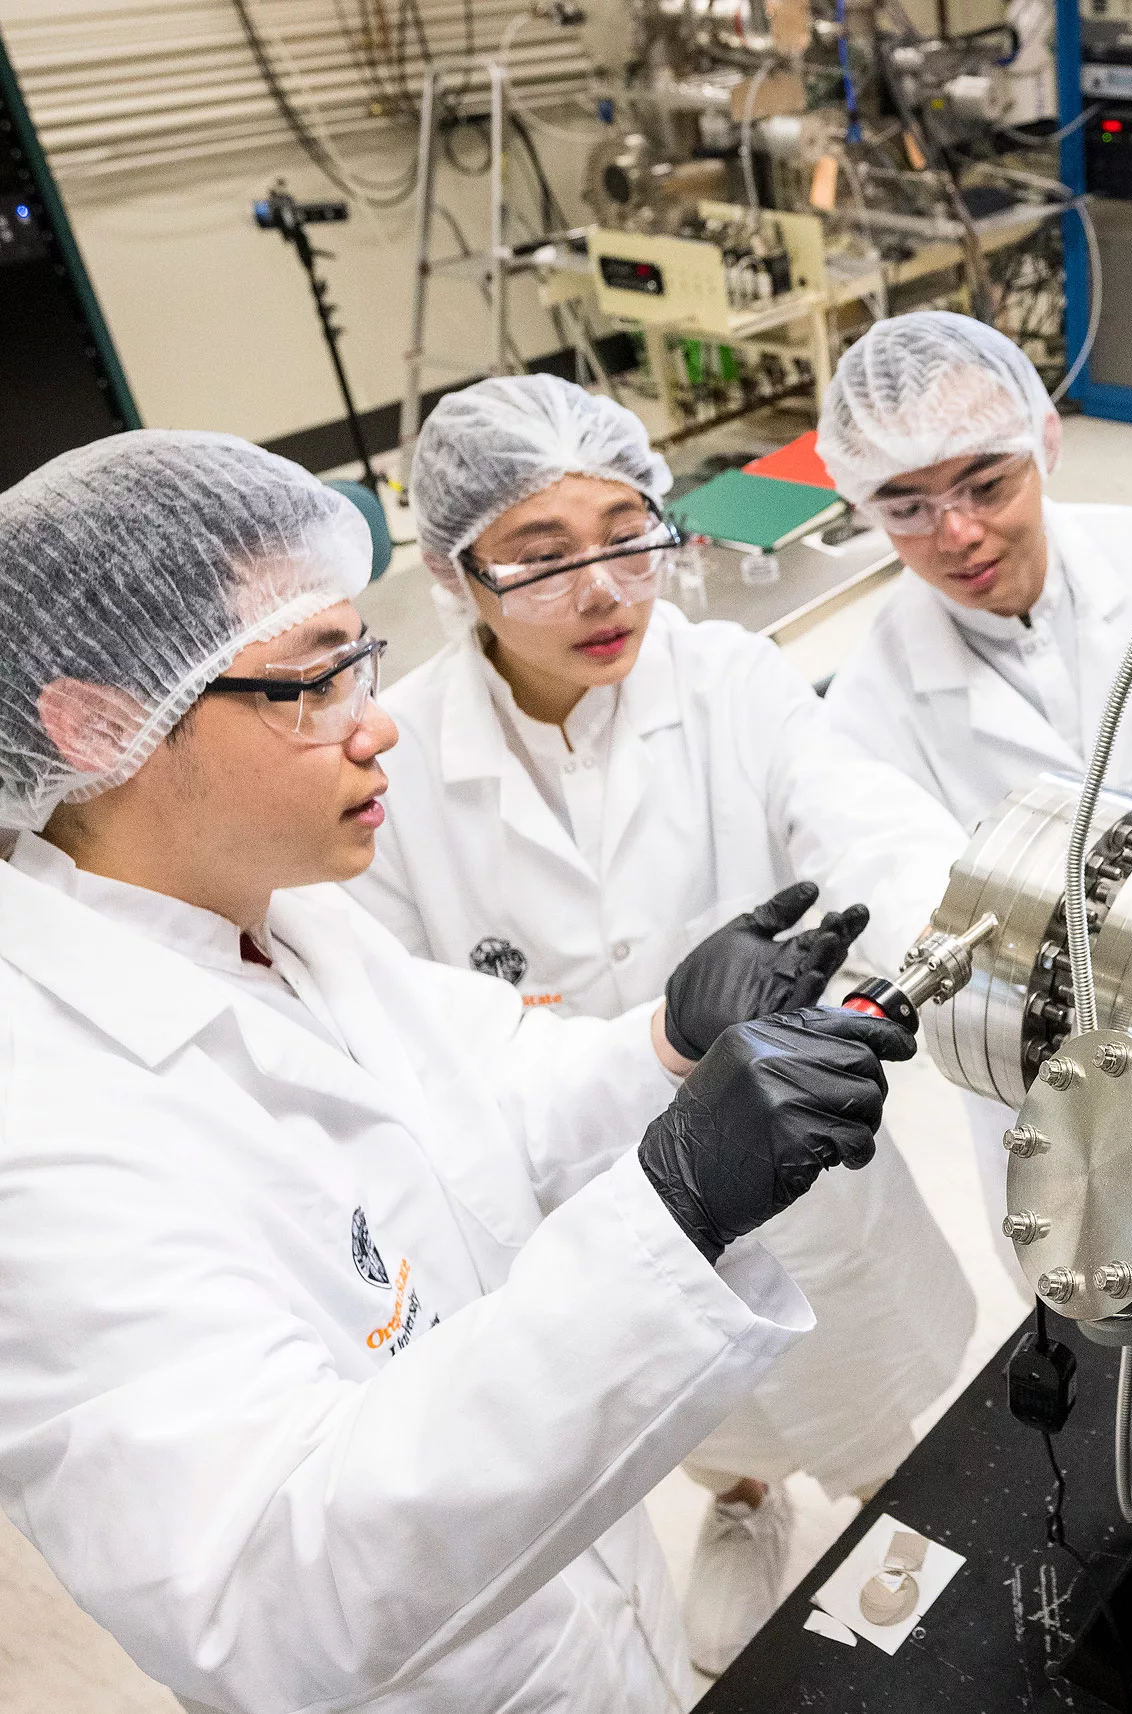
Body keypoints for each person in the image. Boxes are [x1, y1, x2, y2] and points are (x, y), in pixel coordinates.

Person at [0, 431, 917, 1713]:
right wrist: (675, 1202)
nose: (377, 722)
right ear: (100, 723)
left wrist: (662, 1039)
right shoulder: (43, 1136)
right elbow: (269, 1585)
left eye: (357, 661)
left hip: (583, 1610)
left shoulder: (285, 918)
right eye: (314, 683)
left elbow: (482, 1098)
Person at [346, 374, 978, 1676]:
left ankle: (891, 1520)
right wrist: (520, 1031)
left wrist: (908, 947)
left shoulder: (727, 676)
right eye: (542, 556)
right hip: (603, 1192)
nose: (605, 589)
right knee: (689, 1405)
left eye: (632, 535)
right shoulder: (392, 752)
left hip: (803, 1170)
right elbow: (381, 994)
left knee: (869, 1395)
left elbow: (870, 821)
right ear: (453, 570)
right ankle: (744, 1507)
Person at [815, 311, 1132, 1251]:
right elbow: (904, 903)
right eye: (906, 506)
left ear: (1044, 441)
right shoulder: (869, 704)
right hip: (1053, 1065)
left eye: (984, 483)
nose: (956, 533)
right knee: (1094, 1271)